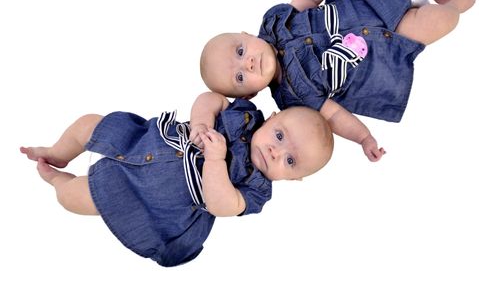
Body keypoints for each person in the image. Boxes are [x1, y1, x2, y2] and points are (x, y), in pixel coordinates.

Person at [200, 0, 477, 162]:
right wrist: (363, 138)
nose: (247, 63)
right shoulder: (292, 98)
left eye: (240, 51)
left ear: (246, 36)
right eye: (239, 76)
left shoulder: (275, 22)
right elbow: (333, 116)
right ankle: (455, 6)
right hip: (381, 49)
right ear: (249, 94)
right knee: (440, 21)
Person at [20, 92, 333, 267]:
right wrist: (200, 122)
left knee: (75, 197)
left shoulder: (256, 190)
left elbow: (222, 204)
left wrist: (214, 161)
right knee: (89, 124)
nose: (276, 152)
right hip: (144, 141)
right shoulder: (246, 116)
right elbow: (210, 99)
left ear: (295, 179)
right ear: (273, 117)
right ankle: (57, 151)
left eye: (290, 161)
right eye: (279, 135)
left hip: (149, 201)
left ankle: (58, 181)